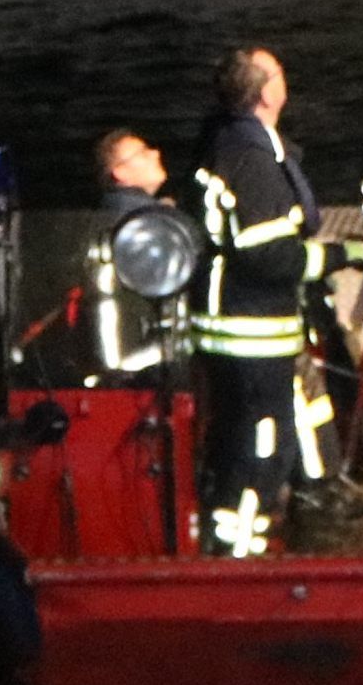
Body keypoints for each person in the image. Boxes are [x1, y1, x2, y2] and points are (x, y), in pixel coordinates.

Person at [191, 50, 324, 557]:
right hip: (251, 332)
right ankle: (239, 560)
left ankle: (231, 548)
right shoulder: (251, 158)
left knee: (239, 442)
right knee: (261, 449)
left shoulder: (224, 144)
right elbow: (268, 252)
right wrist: (333, 257)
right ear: (267, 93)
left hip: (233, 327)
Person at [84, 129, 172, 377]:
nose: (155, 153)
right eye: (143, 153)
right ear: (120, 173)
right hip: (137, 358)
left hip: (115, 351)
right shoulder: (143, 224)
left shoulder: (109, 217)